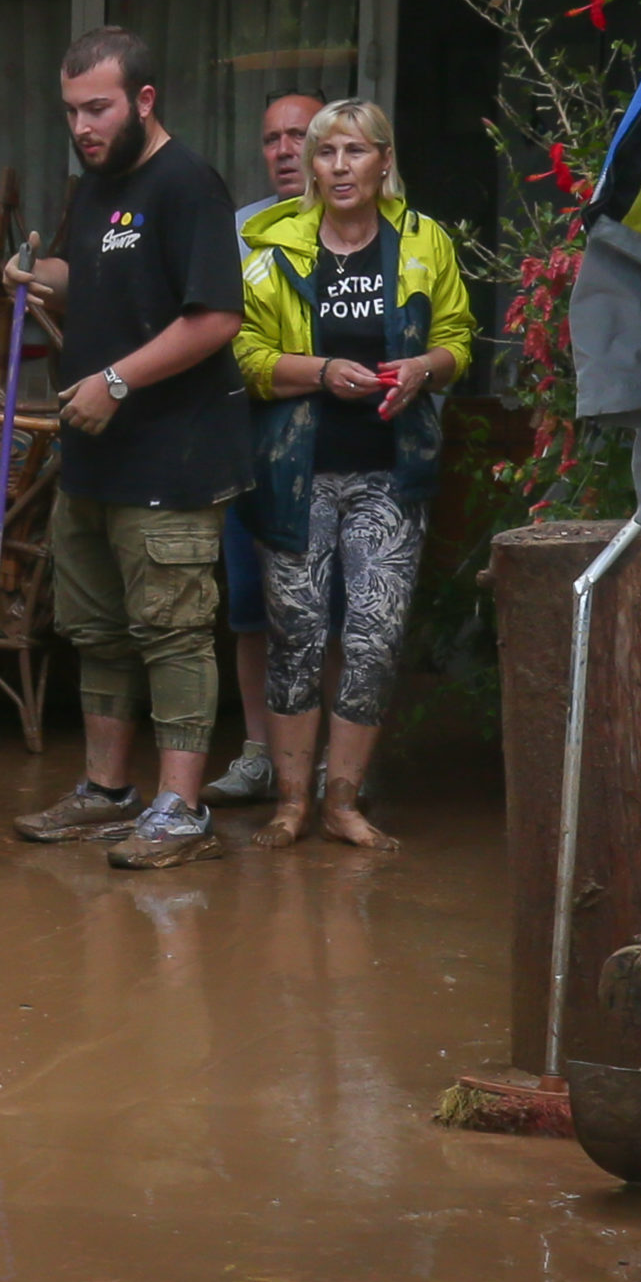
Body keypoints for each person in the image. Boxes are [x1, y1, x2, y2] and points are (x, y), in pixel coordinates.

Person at [3, 28, 250, 869]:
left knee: (174, 630)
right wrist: (36, 276)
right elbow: (98, 280)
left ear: (144, 100)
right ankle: (107, 792)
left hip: (171, 455)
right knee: (96, 627)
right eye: (72, 111)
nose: (83, 126)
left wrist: (116, 380)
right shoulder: (96, 186)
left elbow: (215, 313)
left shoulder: (189, 186)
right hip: (95, 455)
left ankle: (181, 808)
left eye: (98, 108)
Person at [234, 98, 475, 851]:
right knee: (296, 635)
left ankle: (342, 802)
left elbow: (457, 337)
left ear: (383, 160)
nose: (340, 168)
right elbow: (242, 356)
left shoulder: (422, 241)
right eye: (326, 154)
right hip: (295, 475)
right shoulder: (271, 248)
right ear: (311, 167)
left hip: (388, 474)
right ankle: (290, 804)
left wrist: (422, 371)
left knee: (371, 637)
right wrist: (318, 372)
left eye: (355, 152)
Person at [204, 89, 325, 809]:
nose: (285, 150)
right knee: (252, 608)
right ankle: (258, 753)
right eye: (273, 138)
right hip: (248, 440)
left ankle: (335, 763)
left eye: (299, 135)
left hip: (337, 447)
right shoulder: (240, 228)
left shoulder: (367, 230)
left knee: (333, 612)